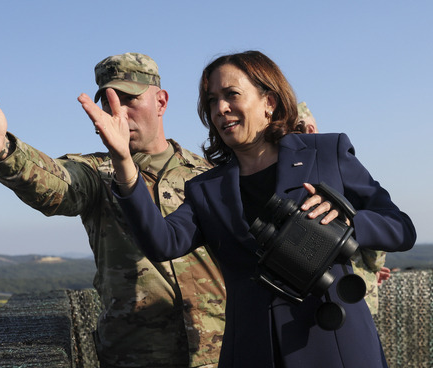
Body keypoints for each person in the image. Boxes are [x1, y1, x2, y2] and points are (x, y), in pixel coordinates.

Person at [80, 50, 417, 367]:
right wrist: (124, 162)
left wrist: (350, 223)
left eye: (231, 95)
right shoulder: (206, 188)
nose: (220, 108)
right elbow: (161, 242)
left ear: (269, 102)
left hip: (334, 342)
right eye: (212, 101)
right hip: (253, 349)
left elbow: (400, 228)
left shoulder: (327, 152)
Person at [0, 52, 226, 368]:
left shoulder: (207, 174)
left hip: (218, 353)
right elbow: (56, 183)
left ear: (161, 102)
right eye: (109, 102)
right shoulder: (99, 173)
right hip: (134, 357)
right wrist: (5, 152)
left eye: (129, 99)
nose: (118, 112)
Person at [297, 101, 391, 315]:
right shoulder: (338, 171)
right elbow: (376, 248)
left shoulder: (293, 177)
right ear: (312, 129)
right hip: (354, 291)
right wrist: (373, 269)